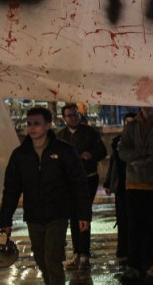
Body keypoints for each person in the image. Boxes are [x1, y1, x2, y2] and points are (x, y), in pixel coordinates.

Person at [0, 107, 91, 285]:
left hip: (58, 213)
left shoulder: (64, 151)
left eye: (37, 124)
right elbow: (11, 189)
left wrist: (83, 214)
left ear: (48, 125)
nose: (32, 128)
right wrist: (5, 220)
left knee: (53, 259)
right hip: (34, 215)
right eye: (29, 124)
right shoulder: (20, 155)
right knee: (41, 259)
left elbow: (78, 184)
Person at [116, 107, 153, 281]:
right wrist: (145, 154)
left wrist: (137, 159)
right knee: (135, 227)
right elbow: (122, 152)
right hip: (134, 184)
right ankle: (134, 263)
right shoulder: (131, 127)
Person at [57, 103, 108, 270]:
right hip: (69, 181)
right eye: (69, 115)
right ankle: (76, 253)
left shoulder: (89, 132)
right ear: (64, 118)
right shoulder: (61, 136)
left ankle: (84, 253)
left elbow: (102, 151)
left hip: (88, 178)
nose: (73, 118)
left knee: (83, 214)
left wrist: (90, 155)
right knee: (73, 215)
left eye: (75, 114)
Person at [103, 132, 129, 262]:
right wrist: (108, 182)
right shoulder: (117, 143)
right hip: (121, 186)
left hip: (136, 183)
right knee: (122, 217)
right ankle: (123, 247)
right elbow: (113, 164)